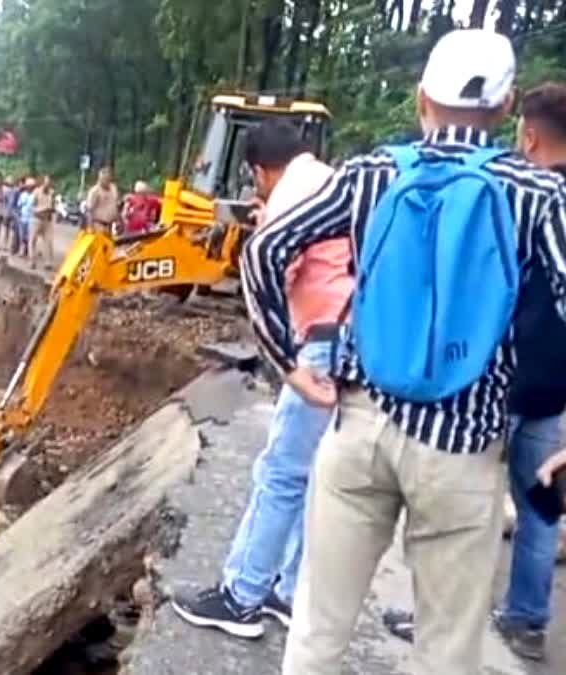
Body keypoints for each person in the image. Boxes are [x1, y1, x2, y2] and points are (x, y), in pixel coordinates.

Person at [240, 29, 566, 674]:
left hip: (360, 430)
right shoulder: (538, 194)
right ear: (504, 110)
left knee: (316, 630)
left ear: (422, 97)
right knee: (447, 650)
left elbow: (263, 251)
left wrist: (290, 364)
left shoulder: (371, 174)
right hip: (465, 449)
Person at [379, 81, 566, 663]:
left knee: (467, 506)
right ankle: (527, 618)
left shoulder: (517, 195)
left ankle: (435, 619)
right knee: (541, 506)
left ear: (528, 134)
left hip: (495, 379)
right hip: (555, 387)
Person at [170, 120, 351, 639]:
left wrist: (267, 229)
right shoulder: (324, 177)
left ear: (257, 171)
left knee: (281, 473)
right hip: (348, 340)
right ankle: (288, 591)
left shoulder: (290, 194)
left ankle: (242, 596)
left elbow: (279, 271)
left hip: (319, 342)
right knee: (313, 474)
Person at [30, 176, 56, 268]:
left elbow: (53, 206)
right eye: (46, 183)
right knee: (33, 240)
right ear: (43, 183)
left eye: (49, 183)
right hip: (37, 218)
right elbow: (32, 205)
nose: (47, 185)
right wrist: (38, 211)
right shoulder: (37, 191)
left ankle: (48, 262)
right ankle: (32, 261)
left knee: (48, 241)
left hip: (47, 219)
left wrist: (51, 209)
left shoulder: (52, 193)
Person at [85, 167, 120, 233]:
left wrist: (118, 220)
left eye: (108, 179)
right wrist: (90, 227)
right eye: (104, 179)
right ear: (99, 178)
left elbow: (116, 206)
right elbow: (89, 211)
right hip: (98, 225)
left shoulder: (113, 188)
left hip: (111, 226)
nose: (106, 181)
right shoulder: (94, 191)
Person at [16, 177, 36, 259]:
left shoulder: (35, 195)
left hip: (32, 219)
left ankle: (29, 252)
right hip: (23, 218)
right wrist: (19, 214)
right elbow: (19, 206)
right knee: (22, 236)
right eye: (28, 186)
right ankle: (22, 250)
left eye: (31, 186)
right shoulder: (22, 195)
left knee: (30, 236)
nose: (29, 187)